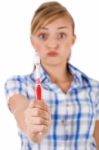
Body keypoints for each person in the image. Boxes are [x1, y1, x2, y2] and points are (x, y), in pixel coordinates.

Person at [4, 1, 99, 150]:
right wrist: (32, 126)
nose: (52, 44)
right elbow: (21, 110)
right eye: (43, 36)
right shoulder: (18, 84)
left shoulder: (94, 89)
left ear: (72, 40)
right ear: (32, 41)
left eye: (61, 35)